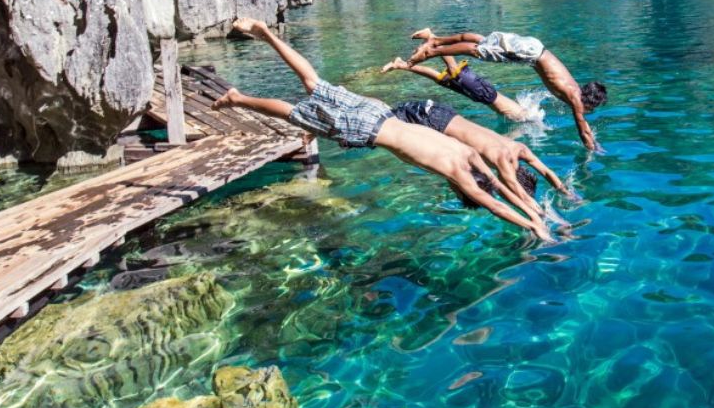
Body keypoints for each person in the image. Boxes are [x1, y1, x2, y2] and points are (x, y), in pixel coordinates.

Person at [212, 18, 553, 241]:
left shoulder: (470, 154)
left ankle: (267, 33)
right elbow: (494, 201)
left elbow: (500, 186)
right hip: (367, 130)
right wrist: (534, 227)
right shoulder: (458, 172)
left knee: (313, 82)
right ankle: (240, 98)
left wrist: (533, 210)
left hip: (379, 111)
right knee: (296, 113)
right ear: (462, 189)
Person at [401, 29, 607, 150]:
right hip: (530, 53)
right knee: (478, 51)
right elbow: (583, 130)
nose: (588, 111)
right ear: (590, 101)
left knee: (483, 41)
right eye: (593, 108)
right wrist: (593, 149)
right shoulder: (576, 98)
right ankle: (432, 51)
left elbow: (584, 125)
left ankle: (434, 38)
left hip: (534, 48)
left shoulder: (574, 87)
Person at [389, 99, 574, 219]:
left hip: (444, 113)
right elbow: (517, 193)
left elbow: (547, 172)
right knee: (385, 123)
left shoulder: (519, 149)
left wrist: (566, 192)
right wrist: (543, 216)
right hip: (430, 120)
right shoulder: (502, 161)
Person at [381, 55, 531, 121]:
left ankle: (400, 64)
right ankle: (433, 39)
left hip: (480, 97)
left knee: (441, 79)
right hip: (486, 94)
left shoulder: (523, 112)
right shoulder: (525, 118)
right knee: (454, 70)